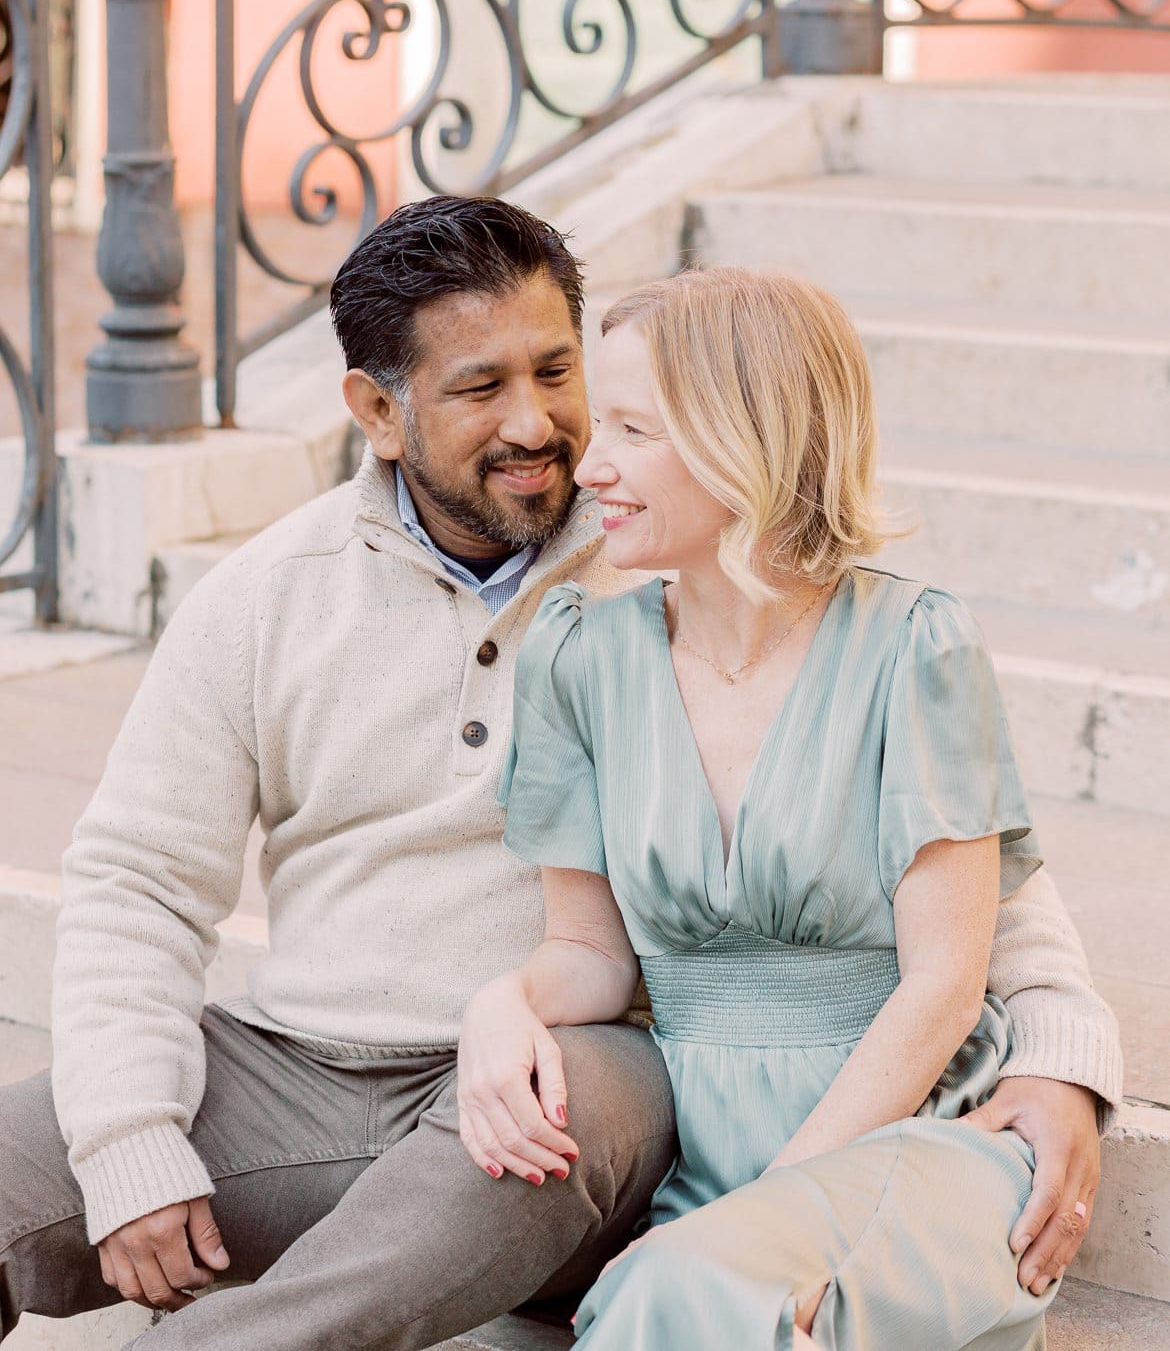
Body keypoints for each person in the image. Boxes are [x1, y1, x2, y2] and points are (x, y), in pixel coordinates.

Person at [0, 202, 1118, 1351]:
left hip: (578, 1086)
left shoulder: (669, 539)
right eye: (481, 389)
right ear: (379, 412)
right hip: (310, 1067)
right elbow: (136, 882)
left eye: (558, 373)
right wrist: (129, 1140)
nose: (544, 429)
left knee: (535, 1130)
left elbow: (974, 875)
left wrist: (1067, 1058)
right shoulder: (272, 598)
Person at [458, 266, 1118, 1351]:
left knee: (687, 1292)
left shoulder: (914, 648)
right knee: (682, 1293)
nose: (595, 465)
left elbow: (946, 988)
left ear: (742, 440)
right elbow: (592, 954)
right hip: (711, 1164)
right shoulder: (579, 657)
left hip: (915, 1140)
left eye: (636, 429)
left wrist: (761, 1214)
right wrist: (503, 1004)